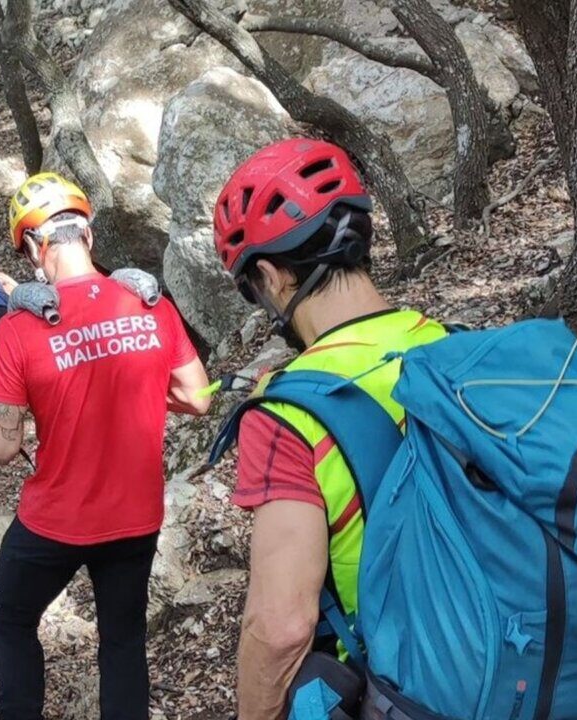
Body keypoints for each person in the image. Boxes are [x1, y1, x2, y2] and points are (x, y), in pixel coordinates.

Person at [211, 139, 447, 719]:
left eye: (252, 288)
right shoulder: (448, 344)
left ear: (270, 275)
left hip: (403, 688)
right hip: (500, 659)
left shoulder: (288, 413)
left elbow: (282, 625)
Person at [0, 173, 212, 720]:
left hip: (56, 520)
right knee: (123, 641)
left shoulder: (18, 330)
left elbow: (4, 448)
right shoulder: (148, 303)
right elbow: (198, 397)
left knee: (12, 616)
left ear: (35, 247)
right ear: (88, 236)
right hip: (136, 513)